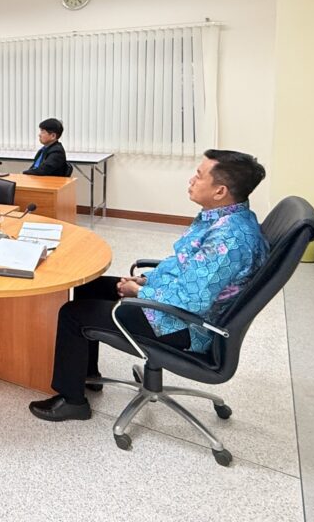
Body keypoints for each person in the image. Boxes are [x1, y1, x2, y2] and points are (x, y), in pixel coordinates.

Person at [29, 149, 269, 422]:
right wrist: (147, 280)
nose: (191, 180)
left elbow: (192, 300)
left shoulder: (228, 238)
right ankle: (86, 372)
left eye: (199, 175)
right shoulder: (223, 217)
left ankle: (72, 402)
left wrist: (140, 292)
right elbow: (185, 267)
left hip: (184, 324)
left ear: (220, 191)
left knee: (73, 314)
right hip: (178, 305)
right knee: (90, 286)